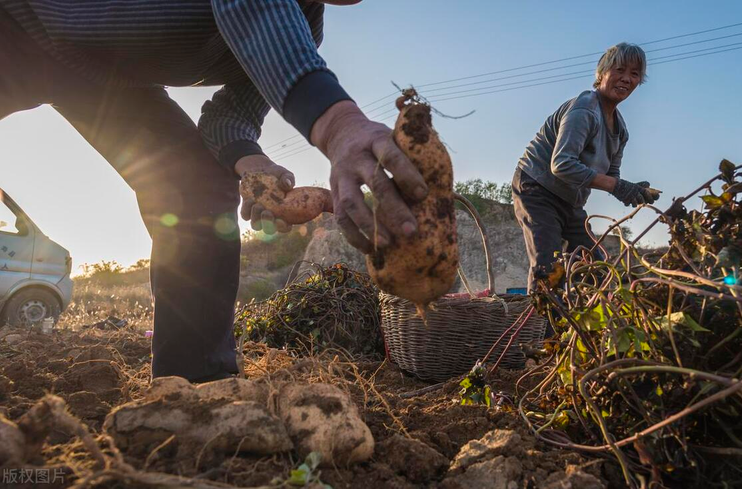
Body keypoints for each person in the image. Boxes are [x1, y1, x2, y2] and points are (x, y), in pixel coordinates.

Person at [0, 0, 427, 383]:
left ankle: (194, 386)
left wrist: (252, 165)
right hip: (20, 24)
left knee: (197, 183)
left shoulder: (303, 27)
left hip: (108, 76)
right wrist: (337, 123)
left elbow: (230, 120)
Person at [512, 42, 658, 292]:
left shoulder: (620, 130)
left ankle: (580, 327)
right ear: (602, 73)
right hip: (538, 190)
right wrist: (616, 186)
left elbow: (610, 175)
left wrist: (630, 189)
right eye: (620, 70)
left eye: (634, 74)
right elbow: (562, 164)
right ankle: (541, 330)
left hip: (570, 201)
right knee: (548, 270)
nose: (626, 79)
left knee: (596, 267)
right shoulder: (585, 109)